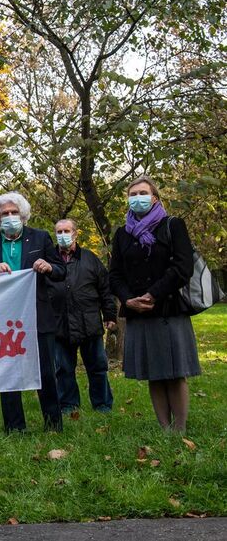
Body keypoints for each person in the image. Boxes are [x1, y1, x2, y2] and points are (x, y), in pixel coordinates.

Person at [108, 176, 200, 432]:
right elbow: (114, 274)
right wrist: (128, 299)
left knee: (174, 371)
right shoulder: (122, 234)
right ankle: (164, 428)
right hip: (138, 311)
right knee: (155, 373)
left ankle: (179, 428)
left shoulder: (173, 225)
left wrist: (153, 294)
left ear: (155, 198)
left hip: (168, 307)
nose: (137, 197)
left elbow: (183, 267)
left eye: (143, 192)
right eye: (133, 193)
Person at [0, 192, 65, 433]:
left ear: (23, 215)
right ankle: (14, 427)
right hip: (2, 318)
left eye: (14, 212)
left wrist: (48, 267)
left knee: (45, 370)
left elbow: (61, 271)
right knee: (8, 371)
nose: (10, 217)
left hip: (38, 314)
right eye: (5, 214)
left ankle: (53, 424)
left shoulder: (40, 238)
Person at [48, 219, 117, 413]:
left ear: (76, 233)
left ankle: (102, 404)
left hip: (89, 322)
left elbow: (105, 289)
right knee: (63, 369)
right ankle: (68, 405)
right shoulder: (49, 260)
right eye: (59, 231)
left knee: (97, 367)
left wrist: (109, 314)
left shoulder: (90, 258)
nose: (63, 235)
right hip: (59, 324)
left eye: (66, 231)